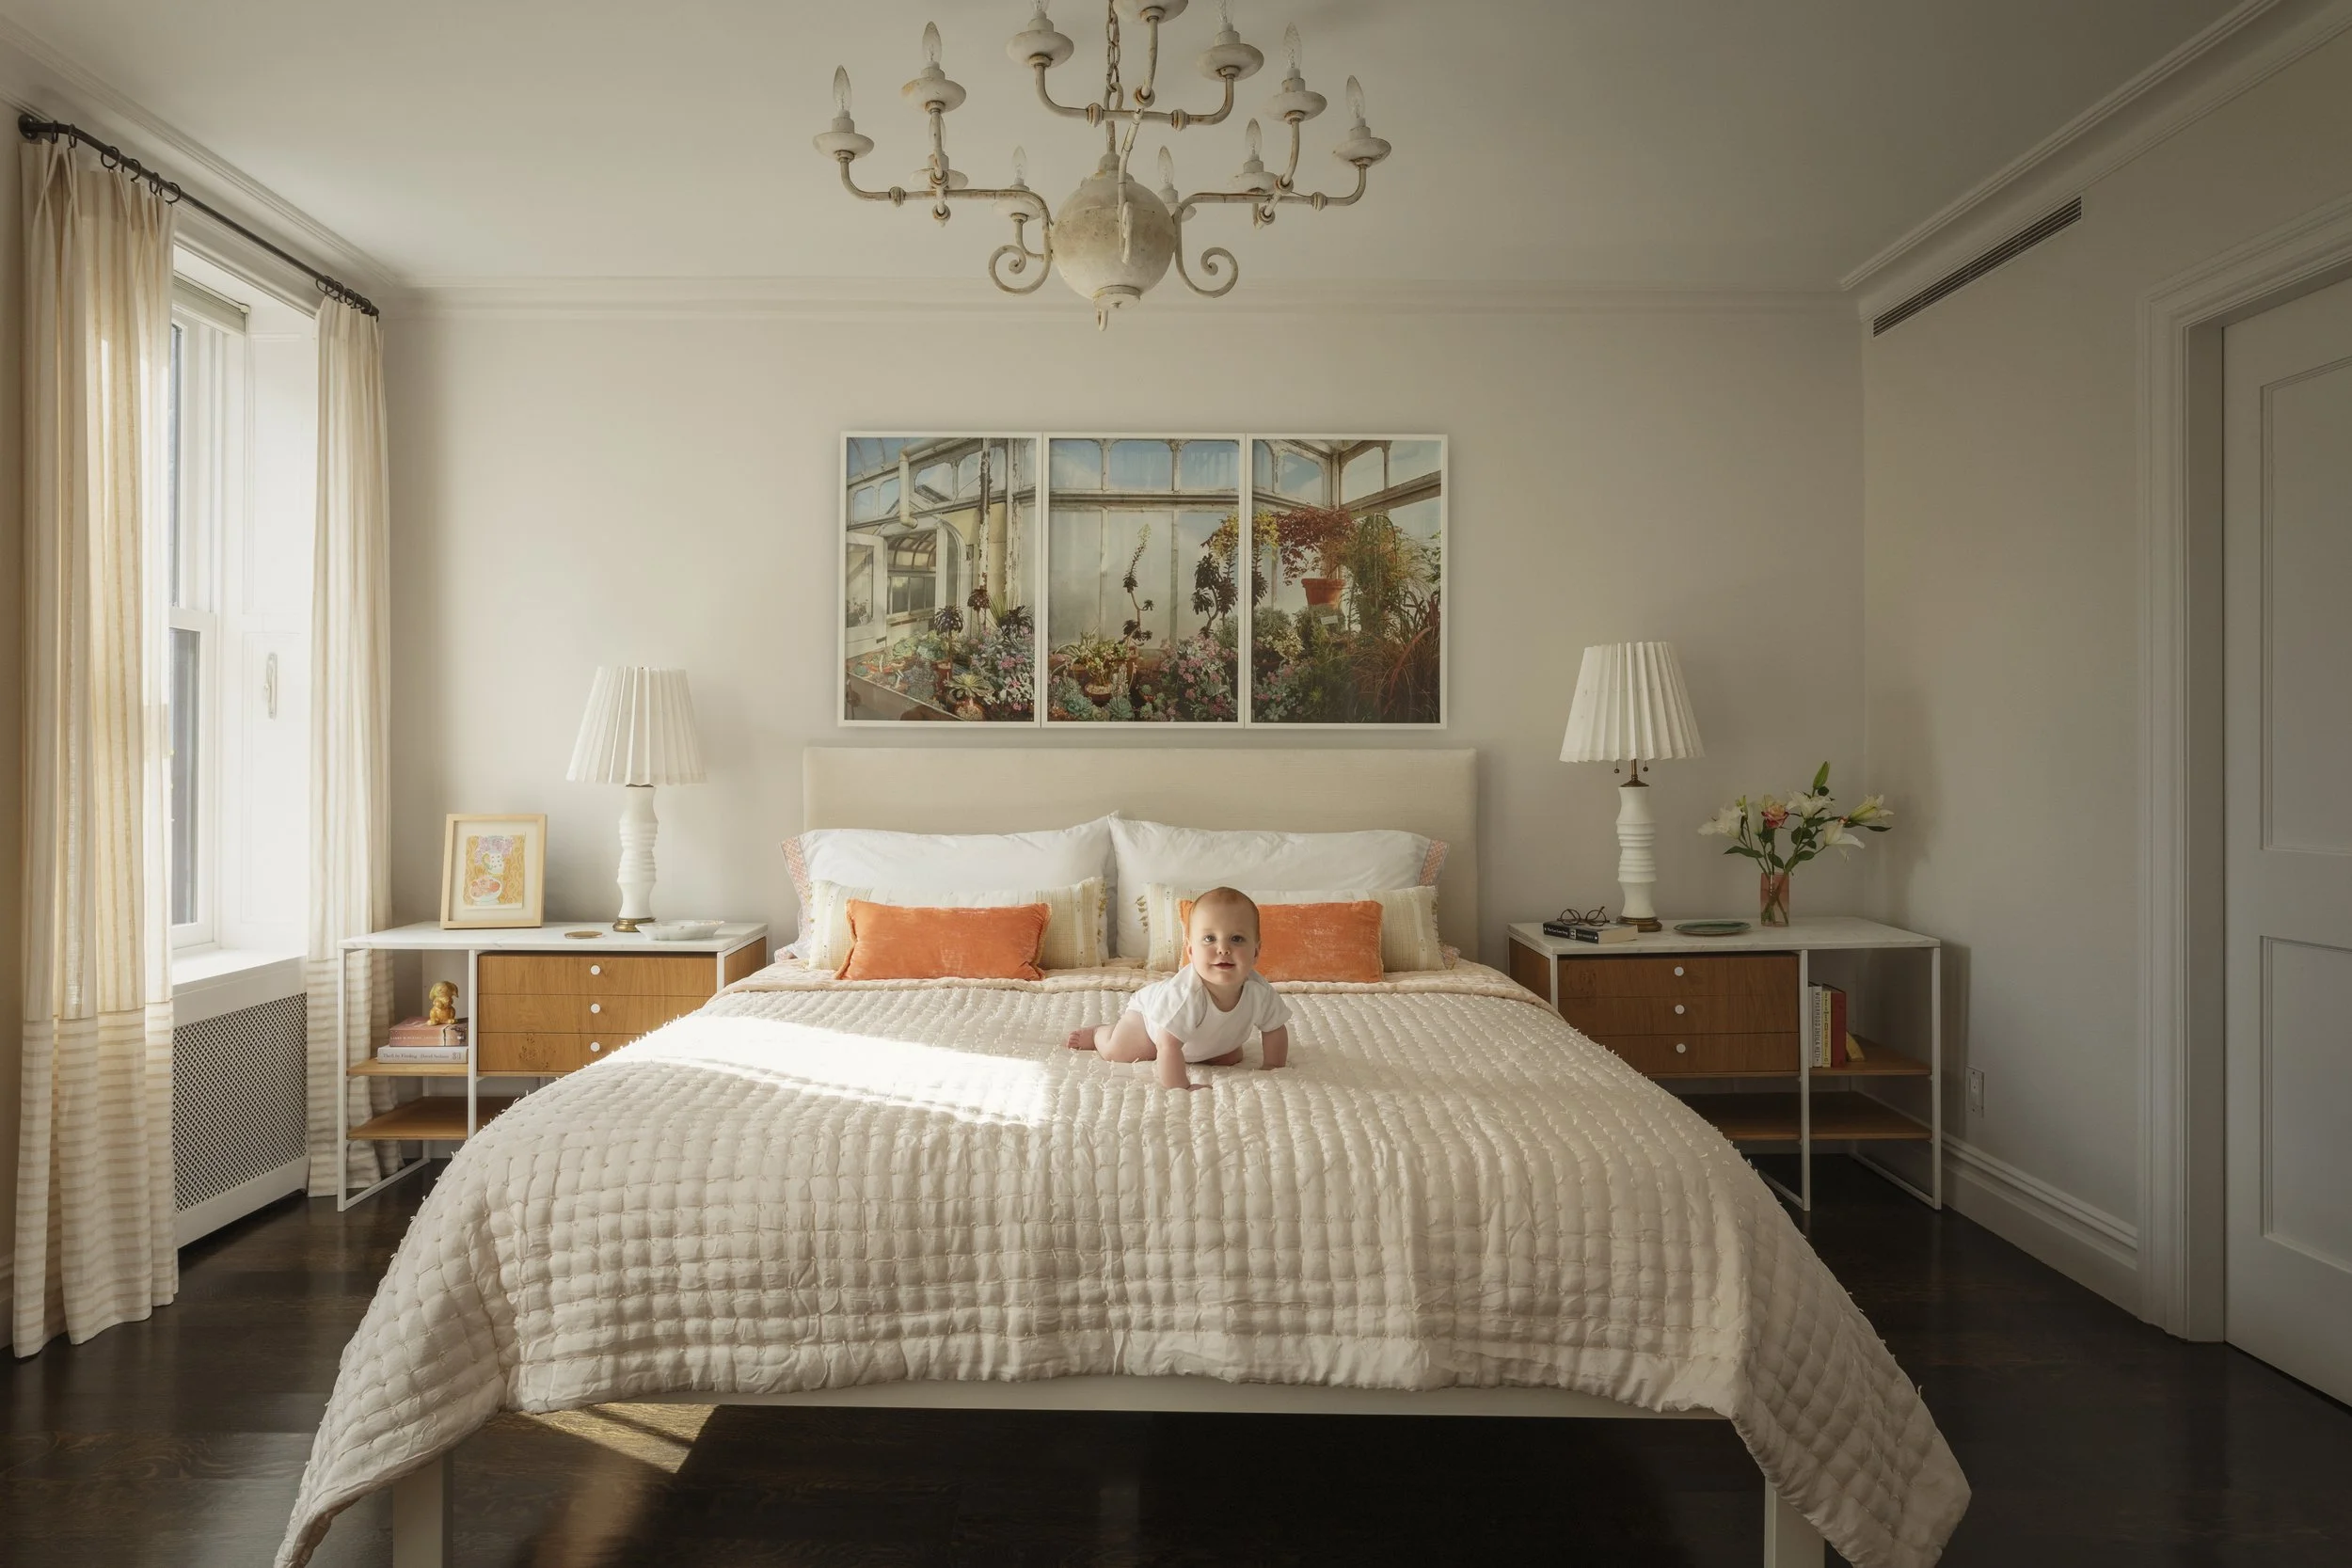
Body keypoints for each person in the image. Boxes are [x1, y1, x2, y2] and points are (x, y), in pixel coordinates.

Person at [1066, 886, 1291, 1090]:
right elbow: (1167, 1046)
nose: (1223, 948)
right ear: (1191, 951)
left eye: (1237, 939)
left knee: (1230, 1057)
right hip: (1151, 1021)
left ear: (1256, 952)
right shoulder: (1186, 995)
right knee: (1121, 1051)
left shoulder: (1259, 990)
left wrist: (1273, 1066)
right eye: (1210, 938)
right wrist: (1181, 1087)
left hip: (1204, 1038)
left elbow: (1275, 1029)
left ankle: (1207, 1049)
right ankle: (1099, 1033)